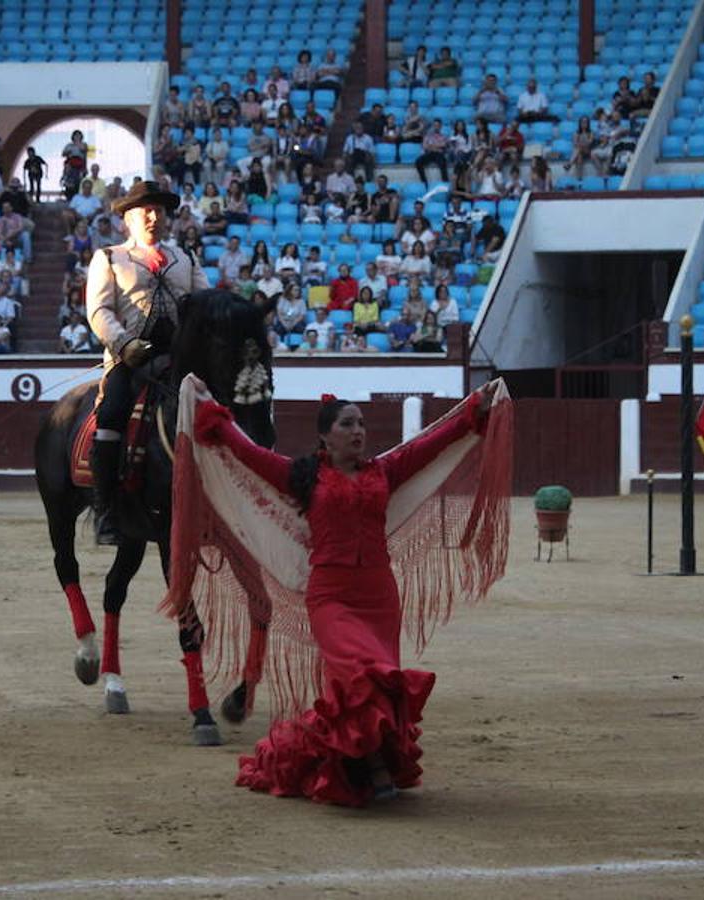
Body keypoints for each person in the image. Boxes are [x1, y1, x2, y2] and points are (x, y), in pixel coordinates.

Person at [175, 383, 502, 807]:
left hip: (379, 595)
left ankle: (365, 766)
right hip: (330, 597)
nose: (358, 431)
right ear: (326, 435)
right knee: (361, 676)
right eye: (348, 424)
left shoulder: (385, 470)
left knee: (376, 677)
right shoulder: (303, 475)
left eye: (362, 424)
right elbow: (247, 455)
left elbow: (436, 442)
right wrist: (212, 414)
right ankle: (377, 769)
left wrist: (476, 408)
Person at [84, 179, 210, 544]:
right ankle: (106, 508)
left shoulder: (185, 259)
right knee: (110, 416)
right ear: (128, 219)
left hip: (178, 359)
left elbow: (203, 304)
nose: (154, 216)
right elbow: (99, 310)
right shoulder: (108, 257)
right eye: (146, 211)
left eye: (159, 210)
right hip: (131, 359)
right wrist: (124, 345)